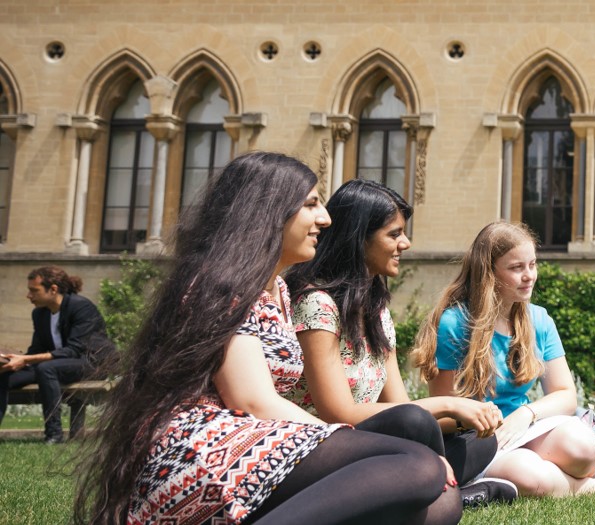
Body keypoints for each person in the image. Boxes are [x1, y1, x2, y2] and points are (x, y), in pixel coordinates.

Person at [74, 151, 460, 524]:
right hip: (203, 453)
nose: (324, 219)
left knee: (441, 504)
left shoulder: (275, 291)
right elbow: (253, 400)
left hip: (255, 445)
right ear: (269, 211)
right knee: (418, 464)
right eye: (310, 205)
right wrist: (364, 446)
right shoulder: (222, 286)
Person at [284, 179, 516, 507]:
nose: (405, 243)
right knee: (415, 421)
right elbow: (339, 413)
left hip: (372, 447)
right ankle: (446, 494)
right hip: (322, 451)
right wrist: (448, 404)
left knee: (479, 441)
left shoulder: (376, 311)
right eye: (394, 234)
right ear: (358, 239)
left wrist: (471, 414)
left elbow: (398, 402)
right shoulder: (316, 303)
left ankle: (429, 487)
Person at [413, 220, 595, 499]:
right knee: (532, 478)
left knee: (586, 449)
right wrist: (479, 420)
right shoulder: (455, 324)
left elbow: (566, 396)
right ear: (489, 274)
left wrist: (525, 414)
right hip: (477, 439)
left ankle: (557, 476)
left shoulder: (539, 319)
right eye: (517, 268)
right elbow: (441, 416)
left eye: (532, 264)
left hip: (524, 428)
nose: (529, 275)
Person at [0, 266, 116, 444]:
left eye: (34, 290)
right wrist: (11, 359)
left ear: (53, 289)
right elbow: (36, 350)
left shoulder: (81, 307)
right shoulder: (39, 314)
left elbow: (74, 350)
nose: (28, 295)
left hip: (91, 363)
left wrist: (27, 360)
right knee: (4, 374)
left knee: (47, 369)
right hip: (56, 365)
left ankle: (54, 434)